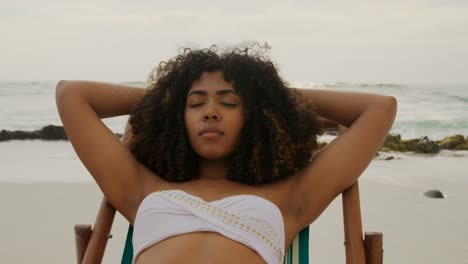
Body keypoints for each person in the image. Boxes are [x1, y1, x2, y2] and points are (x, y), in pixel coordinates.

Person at [55, 44, 397, 264]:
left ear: (256, 117)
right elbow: (71, 95)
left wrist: (271, 95)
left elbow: (379, 108)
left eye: (230, 102)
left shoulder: (290, 199)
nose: (211, 112)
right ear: (177, 117)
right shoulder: (140, 189)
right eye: (195, 103)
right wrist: (167, 98)